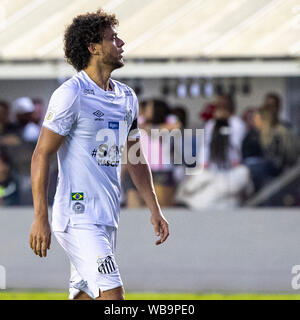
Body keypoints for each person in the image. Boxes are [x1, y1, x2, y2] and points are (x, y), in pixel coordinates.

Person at [29, 9, 169, 301]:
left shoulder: (127, 97)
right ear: (93, 48)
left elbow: (135, 156)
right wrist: (40, 217)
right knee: (113, 297)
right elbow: (41, 154)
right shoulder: (72, 94)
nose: (121, 43)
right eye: (112, 38)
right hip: (77, 216)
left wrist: (154, 209)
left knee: (86, 296)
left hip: (106, 216)